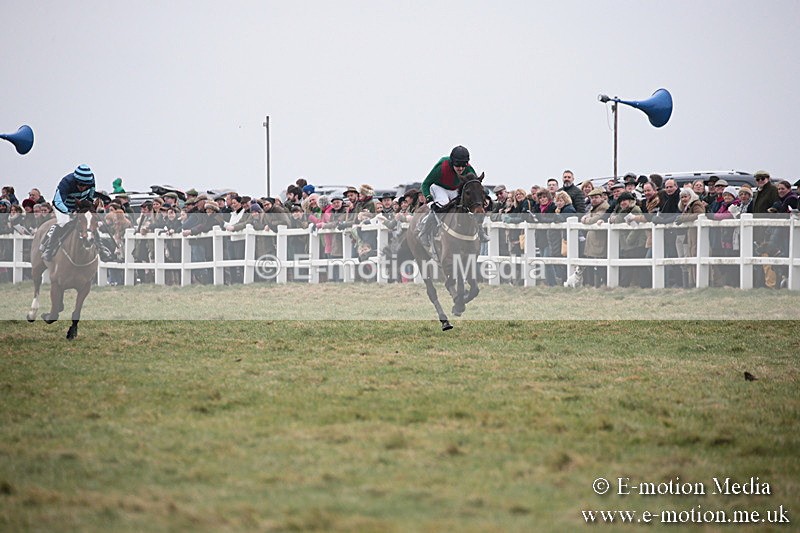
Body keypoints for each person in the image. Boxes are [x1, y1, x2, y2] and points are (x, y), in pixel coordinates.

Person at [418, 145, 488, 248]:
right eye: (457, 165)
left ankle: (480, 230)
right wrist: (429, 199)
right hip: (439, 186)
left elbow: (474, 185)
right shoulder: (442, 166)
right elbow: (425, 184)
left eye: (463, 166)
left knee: (465, 205)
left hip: (454, 188)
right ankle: (424, 232)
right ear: (452, 162)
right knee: (443, 203)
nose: (460, 169)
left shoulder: (469, 169)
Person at [41, 164, 97, 261]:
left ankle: (101, 248)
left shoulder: (92, 182)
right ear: (75, 181)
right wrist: (69, 212)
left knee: (90, 221)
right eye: (80, 184)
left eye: (85, 185)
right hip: (63, 206)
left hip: (78, 206)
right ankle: (49, 249)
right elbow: (57, 202)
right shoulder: (66, 183)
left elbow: (90, 198)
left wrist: (87, 208)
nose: (83, 188)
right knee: (64, 222)